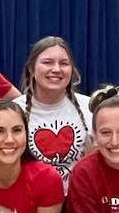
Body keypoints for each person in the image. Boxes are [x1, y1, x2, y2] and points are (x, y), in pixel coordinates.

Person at [21, 36, 92, 191]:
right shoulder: (14, 110)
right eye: (47, 62)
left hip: (80, 200)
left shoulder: (91, 107)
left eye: (64, 63)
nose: (56, 69)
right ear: (31, 69)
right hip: (34, 203)